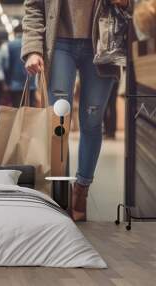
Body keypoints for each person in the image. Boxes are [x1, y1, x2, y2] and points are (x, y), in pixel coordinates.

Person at [22, 0, 131, 221]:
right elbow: (34, 7)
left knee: (92, 122)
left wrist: (126, 3)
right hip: (59, 43)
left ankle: (82, 188)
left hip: (103, 42)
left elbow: (138, 7)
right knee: (59, 123)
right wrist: (33, 49)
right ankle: (60, 193)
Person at [6, 27, 36, 108]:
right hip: (31, 82)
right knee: (31, 109)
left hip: (15, 83)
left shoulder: (10, 45)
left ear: (14, 33)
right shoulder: (32, 44)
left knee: (17, 108)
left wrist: (7, 82)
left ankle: (19, 121)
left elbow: (7, 65)